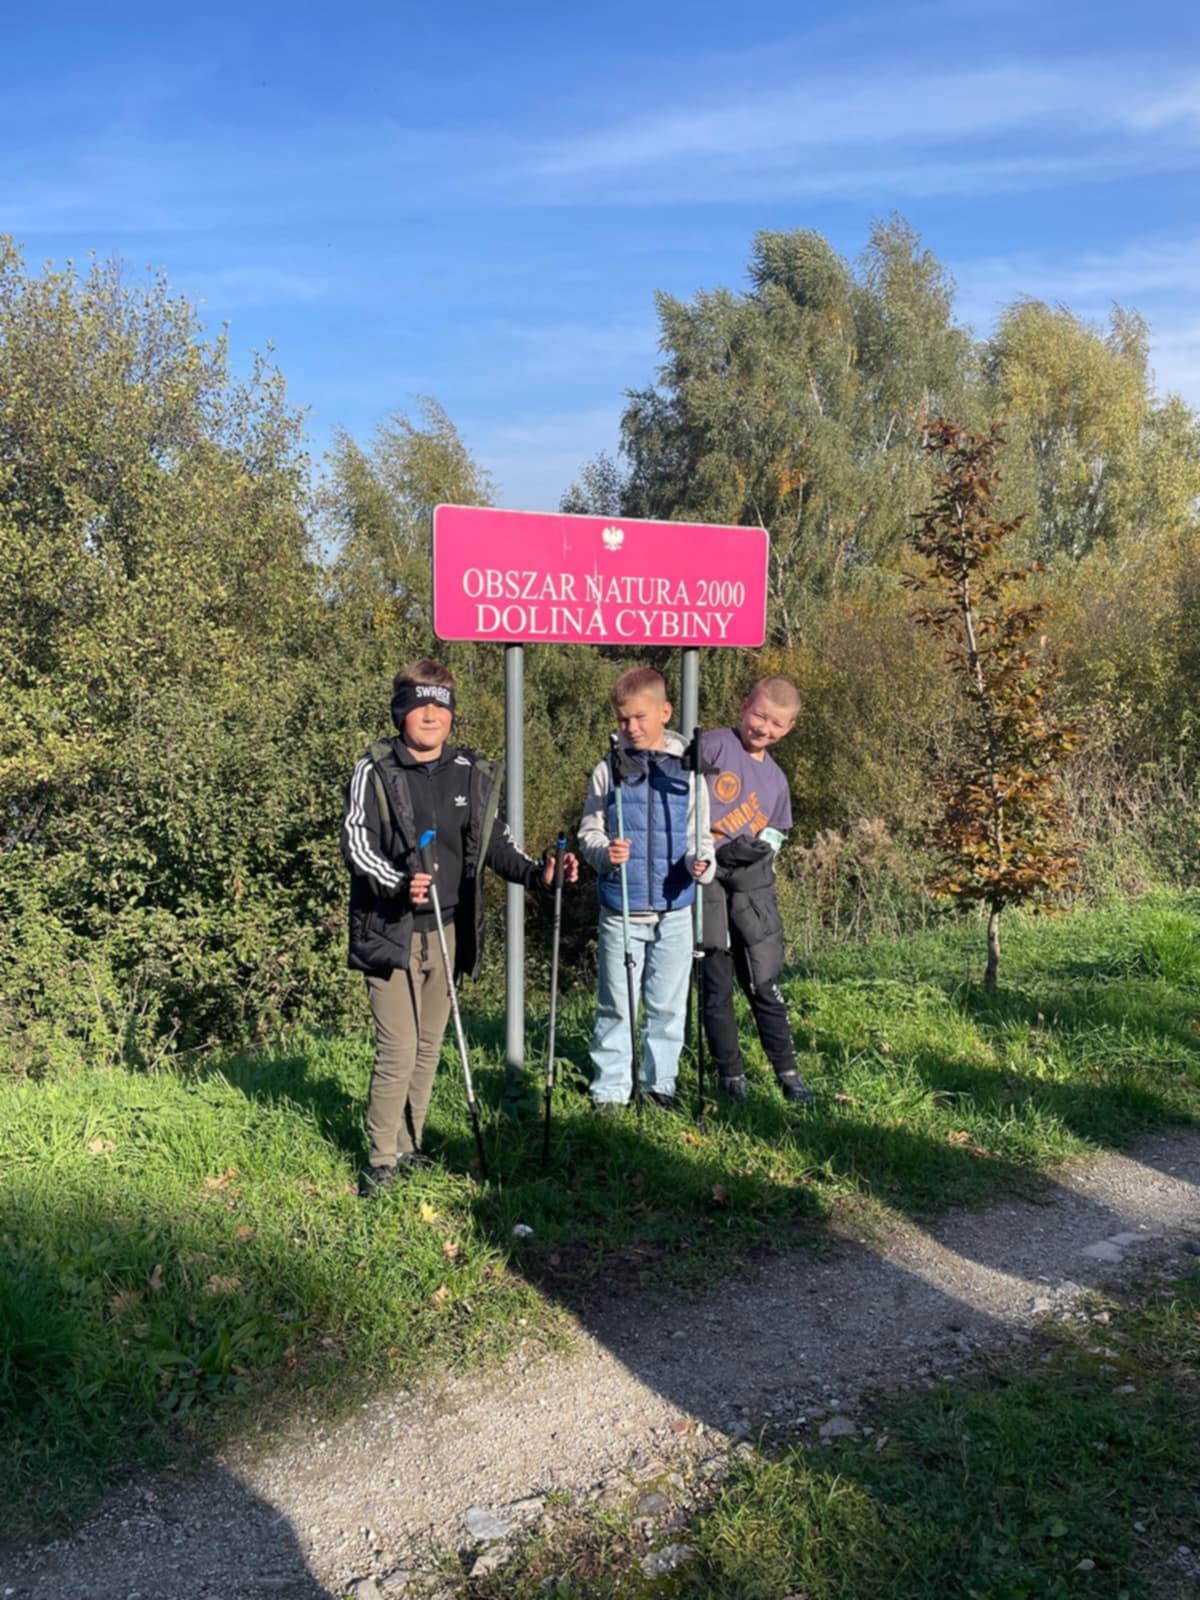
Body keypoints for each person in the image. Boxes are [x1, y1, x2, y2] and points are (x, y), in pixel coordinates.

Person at [342, 659, 578, 1192]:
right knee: (398, 1046)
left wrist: (540, 873)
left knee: (429, 1045)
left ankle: (410, 1145)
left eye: (440, 706)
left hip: (448, 930)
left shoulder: (471, 772)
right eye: (419, 705)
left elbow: (495, 843)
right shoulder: (375, 769)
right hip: (390, 927)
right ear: (400, 711)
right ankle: (380, 1160)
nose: (430, 715)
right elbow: (357, 843)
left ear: (452, 714)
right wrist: (400, 882)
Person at [578, 667, 713, 1111]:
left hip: (676, 907)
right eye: (622, 720)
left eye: (640, 717)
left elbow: (702, 836)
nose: (631, 728)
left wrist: (702, 865)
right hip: (623, 907)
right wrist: (603, 853)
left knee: (668, 1006)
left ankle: (659, 1087)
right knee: (618, 1003)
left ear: (664, 712)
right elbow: (589, 832)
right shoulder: (608, 771)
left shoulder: (689, 770)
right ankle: (610, 1090)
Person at [700, 676, 814, 1105]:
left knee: (763, 982)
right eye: (760, 715)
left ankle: (788, 1073)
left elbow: (778, 832)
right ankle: (731, 1077)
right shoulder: (714, 745)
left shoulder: (777, 781)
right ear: (744, 705)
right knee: (716, 981)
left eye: (777, 724)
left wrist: (757, 852)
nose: (764, 728)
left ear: (789, 729)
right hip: (705, 877)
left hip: (752, 887)